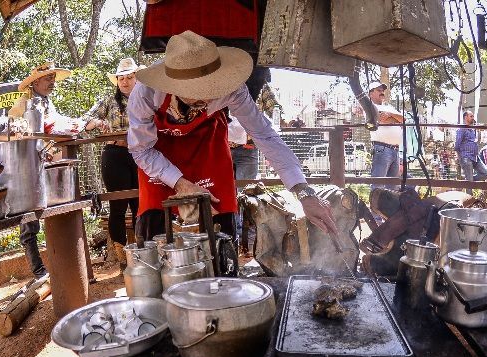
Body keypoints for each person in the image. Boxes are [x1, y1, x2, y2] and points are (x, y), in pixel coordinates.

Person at [127, 31, 338, 242]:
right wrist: (179, 183)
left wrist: (304, 192)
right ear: (173, 85)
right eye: (196, 93)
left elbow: (263, 134)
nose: (209, 96)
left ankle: (224, 268)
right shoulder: (145, 94)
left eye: (213, 87)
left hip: (206, 146)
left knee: (221, 228)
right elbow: (141, 149)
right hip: (159, 154)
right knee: (155, 227)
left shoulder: (231, 88)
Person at [9, 61, 83, 278]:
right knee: (29, 220)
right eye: (48, 78)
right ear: (36, 82)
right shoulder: (23, 104)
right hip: (25, 166)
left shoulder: (49, 103)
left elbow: (55, 127)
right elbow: (16, 132)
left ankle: (63, 266)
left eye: (53, 78)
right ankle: (38, 270)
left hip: (47, 163)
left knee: (55, 210)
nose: (52, 82)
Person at [82, 58, 143, 264]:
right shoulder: (109, 101)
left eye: (130, 77)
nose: (125, 82)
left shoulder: (147, 98)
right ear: (116, 81)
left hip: (142, 155)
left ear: (137, 78)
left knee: (140, 204)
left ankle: (144, 254)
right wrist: (99, 122)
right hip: (115, 155)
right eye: (121, 78)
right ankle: (122, 258)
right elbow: (84, 121)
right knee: (118, 206)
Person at [367, 81, 404, 182]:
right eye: (379, 90)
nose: (382, 92)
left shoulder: (388, 107)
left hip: (395, 150)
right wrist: (395, 119)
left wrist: (390, 114)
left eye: (382, 90)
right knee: (378, 183)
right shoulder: (370, 107)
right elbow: (381, 120)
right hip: (381, 149)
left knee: (393, 186)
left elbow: (404, 119)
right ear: (371, 94)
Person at [455, 110, 487, 193]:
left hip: (475, 157)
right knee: (470, 185)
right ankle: (469, 201)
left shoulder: (472, 129)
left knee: (486, 174)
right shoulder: (461, 129)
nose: (473, 118)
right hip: (466, 157)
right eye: (471, 116)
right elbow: (457, 145)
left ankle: (466, 180)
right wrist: (461, 158)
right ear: (465, 117)